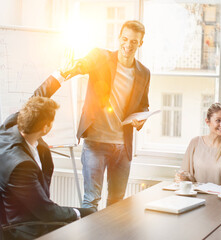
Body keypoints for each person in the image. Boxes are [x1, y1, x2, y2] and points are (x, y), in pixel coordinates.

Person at [35, 20, 150, 209]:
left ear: (140, 44)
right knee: (91, 200)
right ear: (119, 38)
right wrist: (70, 67)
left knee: (117, 203)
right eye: (125, 39)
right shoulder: (100, 57)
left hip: (123, 147)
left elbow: (144, 105)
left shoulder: (144, 72)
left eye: (134, 42)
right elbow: (82, 65)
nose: (128, 45)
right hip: (96, 143)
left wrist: (141, 119)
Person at [0, 96, 94, 240]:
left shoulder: (10, 125)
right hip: (23, 227)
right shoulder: (21, 165)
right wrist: (79, 213)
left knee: (88, 213)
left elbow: (35, 106)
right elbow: (46, 211)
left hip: (32, 211)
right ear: (46, 128)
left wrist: (59, 77)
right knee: (87, 219)